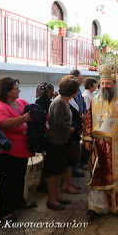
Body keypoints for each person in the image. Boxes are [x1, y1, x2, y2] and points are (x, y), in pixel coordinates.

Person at [83, 64, 118, 216]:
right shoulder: (95, 100)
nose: (105, 86)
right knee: (99, 174)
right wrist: (88, 139)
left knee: (116, 175)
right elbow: (88, 119)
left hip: (117, 143)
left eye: (108, 83)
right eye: (103, 83)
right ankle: (96, 206)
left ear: (114, 83)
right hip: (99, 145)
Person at [0, 76, 37, 222]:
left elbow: (32, 113)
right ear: (6, 91)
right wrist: (25, 118)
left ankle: (18, 201)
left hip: (22, 150)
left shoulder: (20, 102)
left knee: (19, 178)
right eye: (16, 89)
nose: (19, 90)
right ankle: (5, 211)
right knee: (7, 182)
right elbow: (5, 124)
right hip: (7, 152)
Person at [44, 76, 79, 210]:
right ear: (72, 91)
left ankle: (58, 195)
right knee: (53, 172)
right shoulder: (59, 102)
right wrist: (69, 129)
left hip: (62, 141)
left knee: (59, 170)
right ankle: (51, 199)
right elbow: (58, 122)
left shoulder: (65, 101)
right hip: (55, 141)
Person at [34, 81, 57, 193]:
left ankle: (44, 183)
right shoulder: (45, 104)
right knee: (49, 162)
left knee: (48, 161)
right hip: (47, 136)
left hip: (45, 136)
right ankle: (45, 184)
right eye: (51, 92)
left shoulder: (41, 102)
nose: (52, 94)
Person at [69, 70, 86, 178]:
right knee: (74, 149)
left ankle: (74, 169)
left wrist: (84, 113)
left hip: (79, 121)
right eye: (81, 77)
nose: (82, 79)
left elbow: (82, 104)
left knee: (77, 148)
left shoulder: (79, 90)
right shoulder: (71, 92)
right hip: (74, 123)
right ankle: (72, 171)